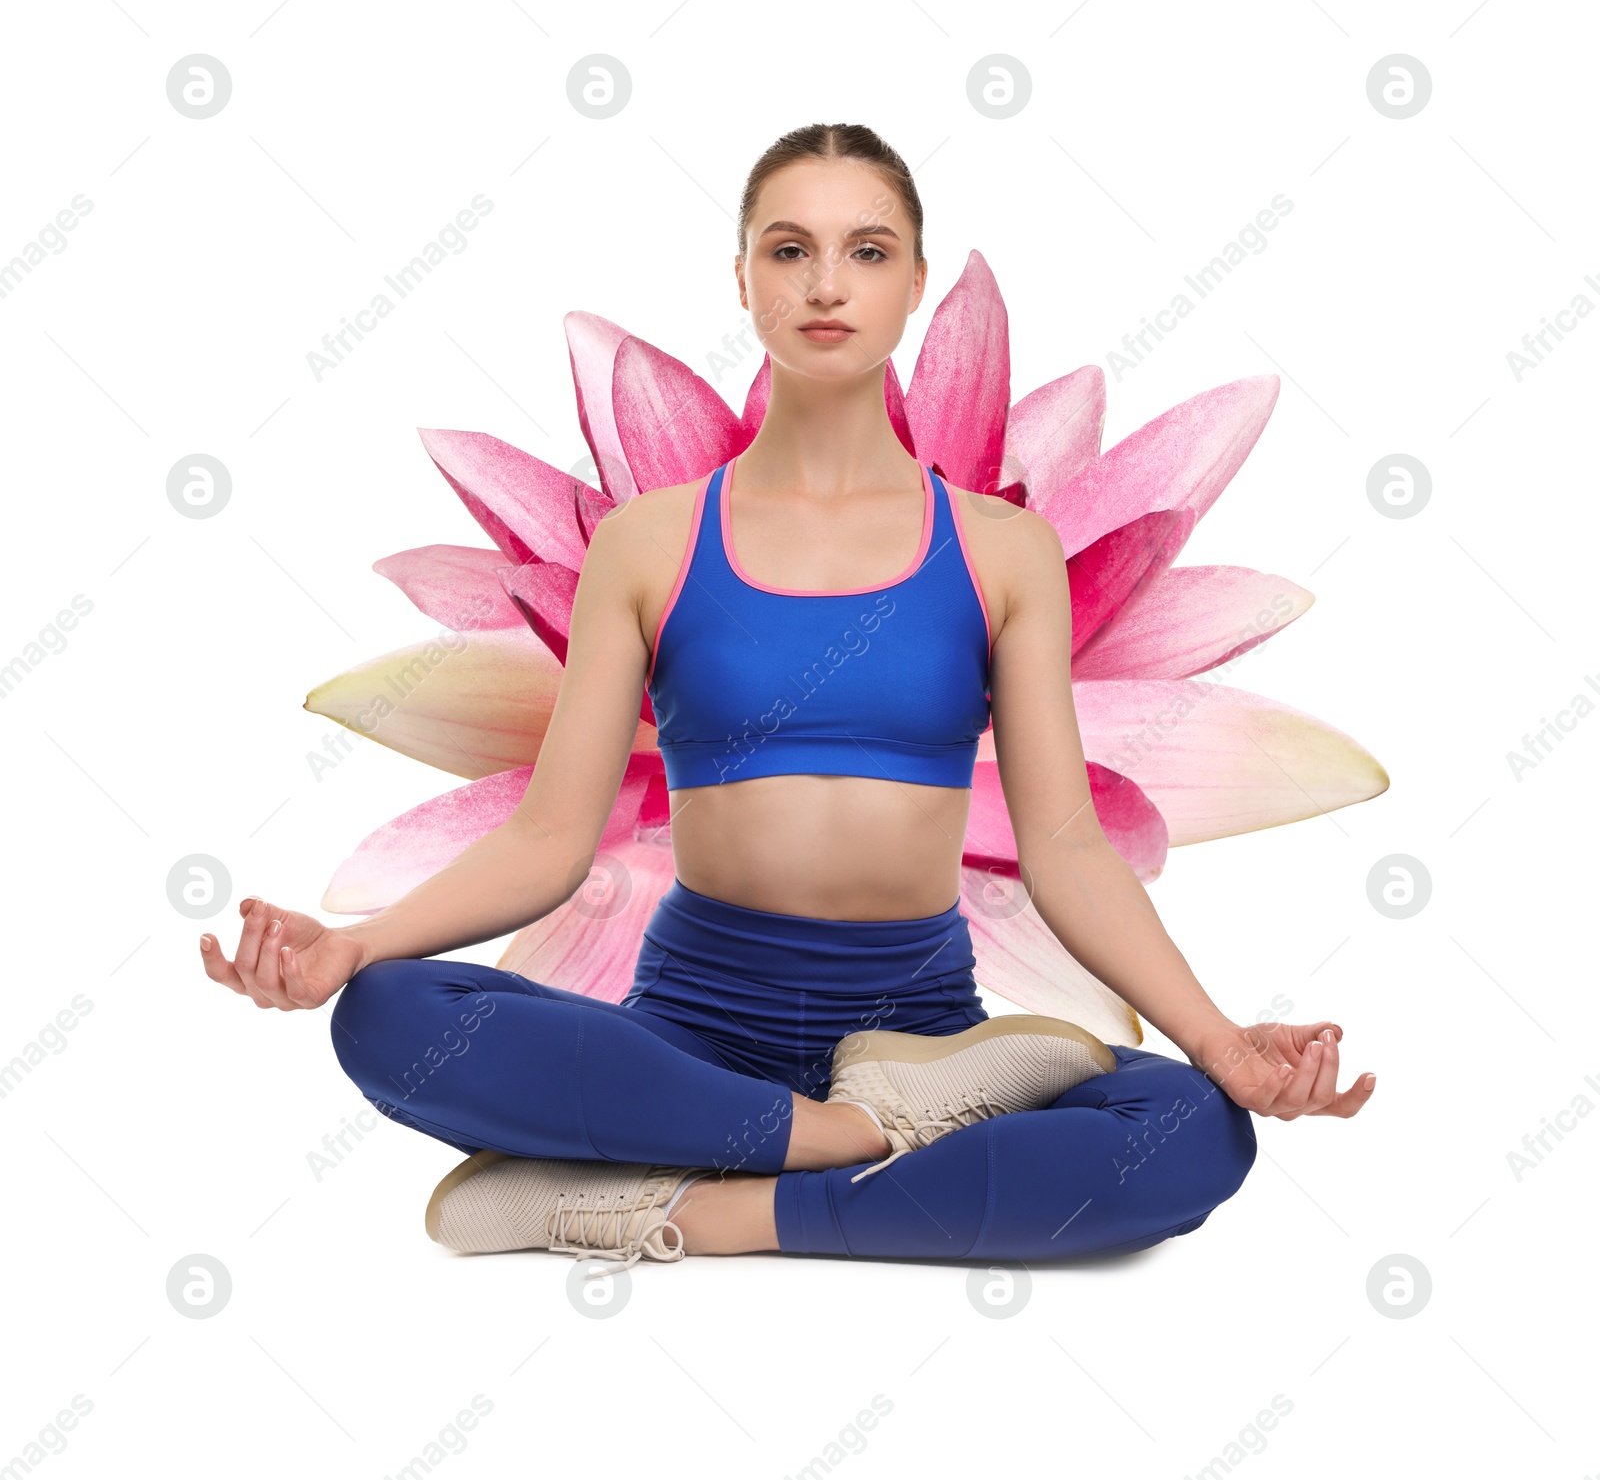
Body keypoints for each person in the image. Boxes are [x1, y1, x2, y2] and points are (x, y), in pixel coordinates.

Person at [200, 122, 1375, 1276]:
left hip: (925, 1031)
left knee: (1191, 1131)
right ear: (744, 281)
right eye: (787, 249)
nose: (826, 283)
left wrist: (1221, 1043)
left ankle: (689, 1209)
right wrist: (346, 948)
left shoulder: (1005, 551)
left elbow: (1066, 847)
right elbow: (551, 839)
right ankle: (853, 1143)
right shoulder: (647, 542)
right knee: (389, 1018)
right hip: (689, 1026)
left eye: (866, 251)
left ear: (915, 282)